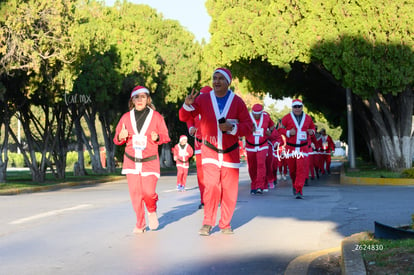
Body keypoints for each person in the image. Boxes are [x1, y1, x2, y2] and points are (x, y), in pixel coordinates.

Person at [179, 68, 253, 236]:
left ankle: (225, 223)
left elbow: (248, 127)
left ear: (228, 82)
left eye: (221, 79)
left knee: (229, 189)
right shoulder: (203, 99)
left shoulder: (237, 102)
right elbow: (184, 117)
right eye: (214, 78)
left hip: (230, 152)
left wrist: (232, 128)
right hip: (210, 150)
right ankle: (207, 222)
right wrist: (187, 105)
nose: (217, 81)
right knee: (211, 186)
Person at [113, 85, 170, 234]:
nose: (140, 100)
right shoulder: (126, 117)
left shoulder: (156, 116)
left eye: (143, 97)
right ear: (132, 99)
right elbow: (117, 138)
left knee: (148, 192)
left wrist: (157, 137)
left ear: (148, 99)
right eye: (137, 97)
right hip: (131, 161)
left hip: (150, 161)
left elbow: (165, 136)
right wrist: (121, 136)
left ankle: (152, 210)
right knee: (136, 195)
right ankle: (140, 223)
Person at [280, 99, 315, 199]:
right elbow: (279, 129)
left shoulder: (308, 118)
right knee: (292, 170)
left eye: (299, 106)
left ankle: (299, 189)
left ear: (302, 107)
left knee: (301, 169)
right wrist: (288, 132)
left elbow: (313, 128)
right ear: (292, 107)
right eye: (295, 107)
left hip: (303, 148)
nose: (297, 108)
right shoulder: (286, 118)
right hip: (291, 148)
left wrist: (311, 131)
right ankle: (295, 185)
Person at [186, 86, 213, 209]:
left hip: (213, 144)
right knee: (201, 174)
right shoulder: (195, 106)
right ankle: (204, 200)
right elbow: (188, 117)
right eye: (200, 96)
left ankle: (214, 197)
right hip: (199, 143)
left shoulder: (216, 108)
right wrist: (190, 127)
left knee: (213, 173)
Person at [245, 104, 275, 194]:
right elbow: (241, 128)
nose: (256, 116)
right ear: (252, 112)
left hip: (263, 144)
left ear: (261, 112)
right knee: (252, 166)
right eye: (255, 114)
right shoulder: (246, 117)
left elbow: (272, 126)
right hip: (250, 145)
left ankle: (259, 186)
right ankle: (253, 184)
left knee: (261, 164)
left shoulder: (266, 117)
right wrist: (248, 129)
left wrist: (270, 131)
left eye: (258, 114)